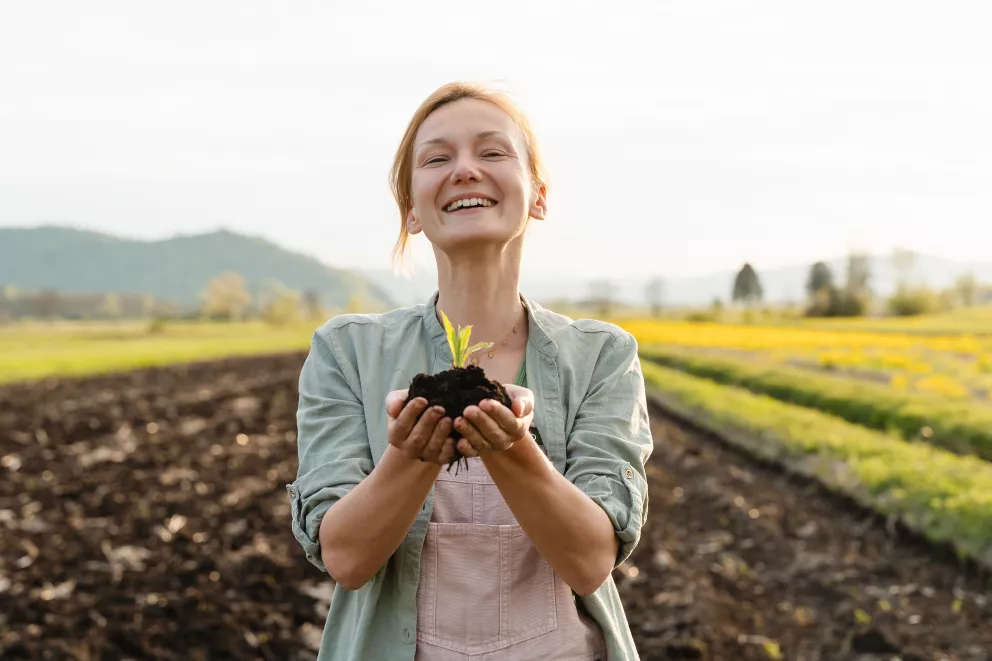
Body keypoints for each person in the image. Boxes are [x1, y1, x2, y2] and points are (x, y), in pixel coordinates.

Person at [287, 81, 654, 660]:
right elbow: (347, 559)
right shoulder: (347, 351)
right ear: (411, 209)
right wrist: (410, 455)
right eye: (437, 158)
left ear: (537, 194)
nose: (464, 170)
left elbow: (590, 562)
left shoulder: (601, 355)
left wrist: (513, 448)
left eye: (492, 152)